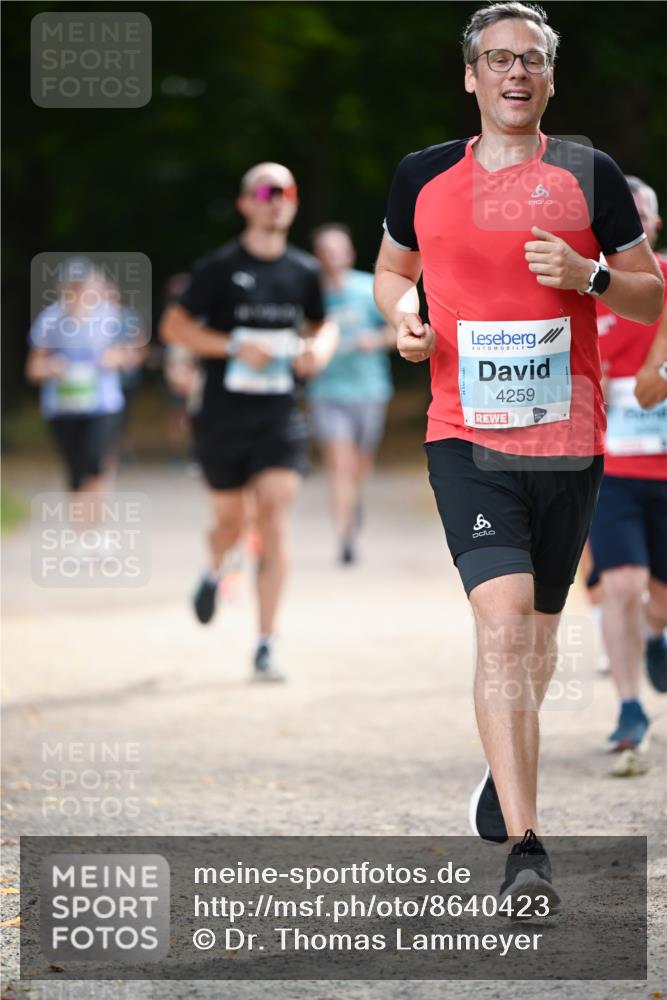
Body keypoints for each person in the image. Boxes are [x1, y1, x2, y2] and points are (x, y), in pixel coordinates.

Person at [374, 1, 663, 909]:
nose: (513, 74)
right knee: (499, 625)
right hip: (465, 437)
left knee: (535, 641)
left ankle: (506, 772)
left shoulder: (590, 174)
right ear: (470, 76)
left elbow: (649, 298)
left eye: (529, 60)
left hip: (568, 444)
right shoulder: (421, 175)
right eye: (495, 59)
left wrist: (586, 277)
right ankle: (528, 847)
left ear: (549, 76)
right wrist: (403, 320)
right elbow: (393, 269)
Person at [160, 162, 337, 682]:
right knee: (230, 523)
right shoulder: (219, 268)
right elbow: (174, 326)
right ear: (245, 203)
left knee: (274, 519)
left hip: (279, 417)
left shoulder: (303, 271)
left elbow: (322, 327)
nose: (276, 199)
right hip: (221, 416)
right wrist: (236, 344)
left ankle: (265, 643)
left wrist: (316, 354)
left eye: (286, 191)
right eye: (266, 190)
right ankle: (215, 568)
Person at [590, 175, 667, 750]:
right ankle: (628, 707)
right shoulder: (583, 292)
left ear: (654, 228)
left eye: (639, 218)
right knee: (621, 585)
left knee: (658, 601)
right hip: (612, 470)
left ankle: (657, 637)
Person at [308, 224, 394, 564]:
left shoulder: (367, 288)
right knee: (338, 464)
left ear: (350, 253)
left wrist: (373, 341)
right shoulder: (312, 294)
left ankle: (352, 500)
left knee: (359, 466)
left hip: (370, 391)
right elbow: (302, 330)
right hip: (327, 392)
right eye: (326, 251)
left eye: (339, 249)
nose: (333, 257)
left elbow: (396, 328)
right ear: (318, 257)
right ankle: (345, 536)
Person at [26, 258, 129, 537]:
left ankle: (97, 531)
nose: (79, 293)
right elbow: (33, 368)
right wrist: (51, 368)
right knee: (75, 470)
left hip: (103, 404)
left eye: (83, 286)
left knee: (97, 465)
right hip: (62, 407)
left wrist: (114, 358)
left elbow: (128, 354)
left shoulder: (109, 316)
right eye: (73, 287)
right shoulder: (50, 320)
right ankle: (81, 532)